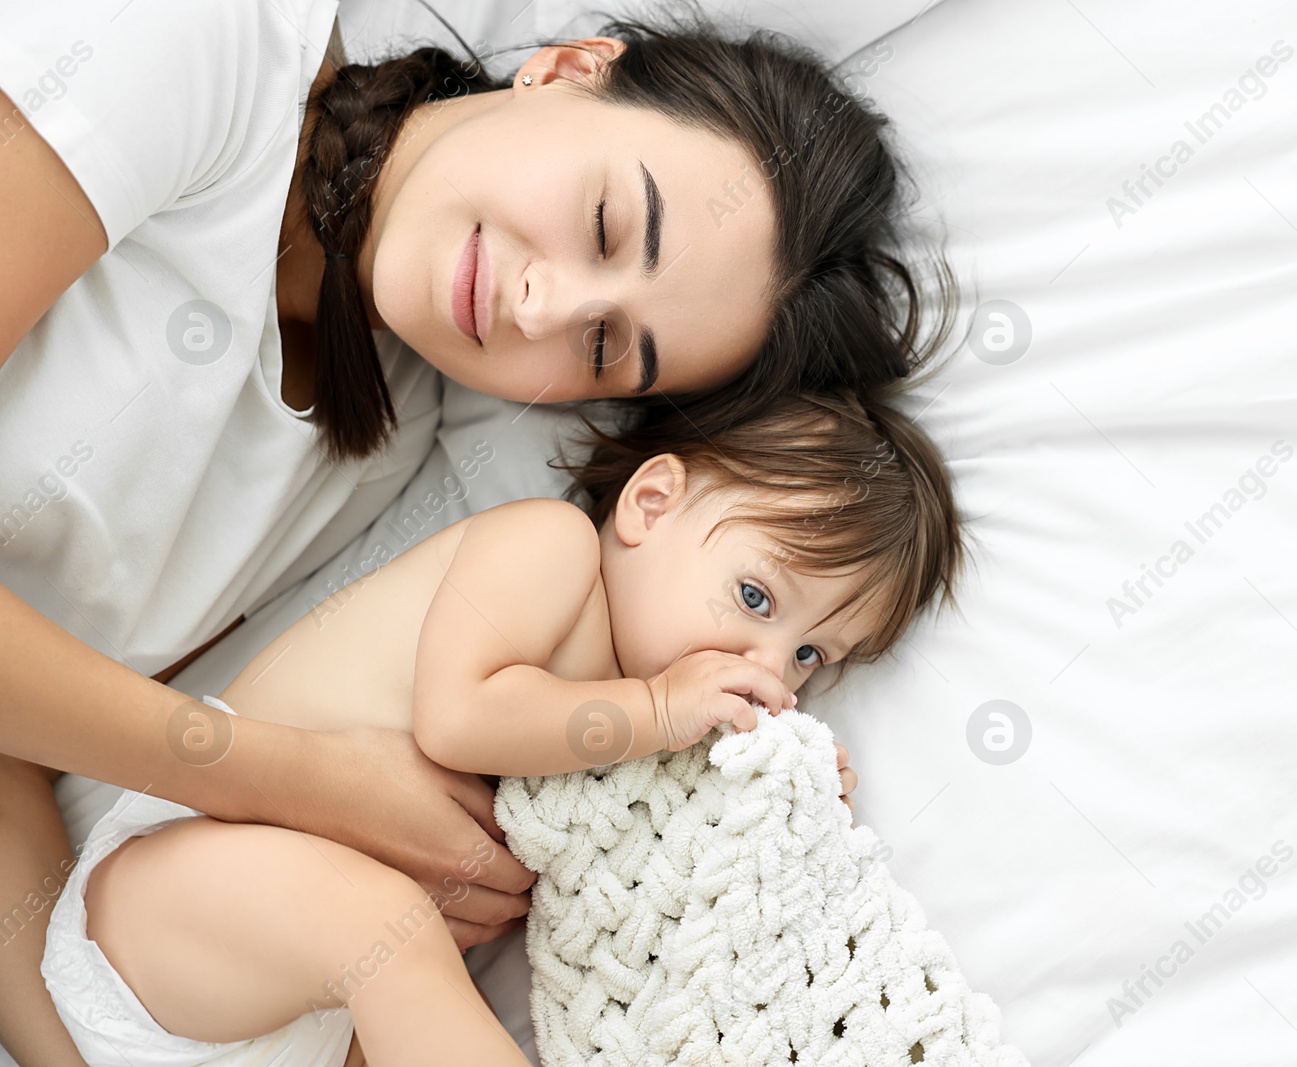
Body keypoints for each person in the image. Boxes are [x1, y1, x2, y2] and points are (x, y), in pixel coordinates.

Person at [0, 2, 953, 1062]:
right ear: (570, 67)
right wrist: (294, 778)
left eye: (604, 347)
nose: (542, 308)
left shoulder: (389, 442)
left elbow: (29, 736)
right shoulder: (204, 43)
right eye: (603, 221)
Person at [40, 390, 964, 1067]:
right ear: (650, 505)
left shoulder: (657, 722)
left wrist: (778, 804)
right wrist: (659, 712)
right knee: (386, 929)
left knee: (408, 970)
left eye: (810, 657)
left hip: (304, 1024)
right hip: (172, 893)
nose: (767, 666)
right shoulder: (547, 549)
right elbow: (460, 718)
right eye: (756, 596)